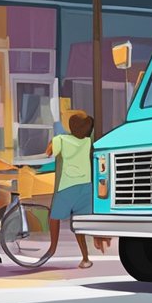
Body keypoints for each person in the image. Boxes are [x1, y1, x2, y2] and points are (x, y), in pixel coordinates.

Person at [44, 113, 97, 269]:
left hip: (67, 185)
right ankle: (85, 258)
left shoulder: (61, 139)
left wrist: (53, 142)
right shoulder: (88, 142)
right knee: (78, 223)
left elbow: (49, 152)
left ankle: (52, 249)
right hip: (86, 185)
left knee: (54, 217)